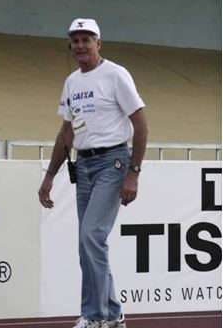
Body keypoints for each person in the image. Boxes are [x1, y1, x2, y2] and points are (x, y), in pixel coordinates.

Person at [38, 18, 148, 328]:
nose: (80, 46)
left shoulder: (115, 75)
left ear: (99, 43)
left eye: (87, 39)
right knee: (87, 243)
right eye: (75, 40)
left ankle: (96, 315)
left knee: (91, 236)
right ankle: (111, 315)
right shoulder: (72, 82)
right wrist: (50, 175)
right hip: (83, 166)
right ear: (70, 46)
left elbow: (141, 124)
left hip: (113, 163)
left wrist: (134, 172)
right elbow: (67, 130)